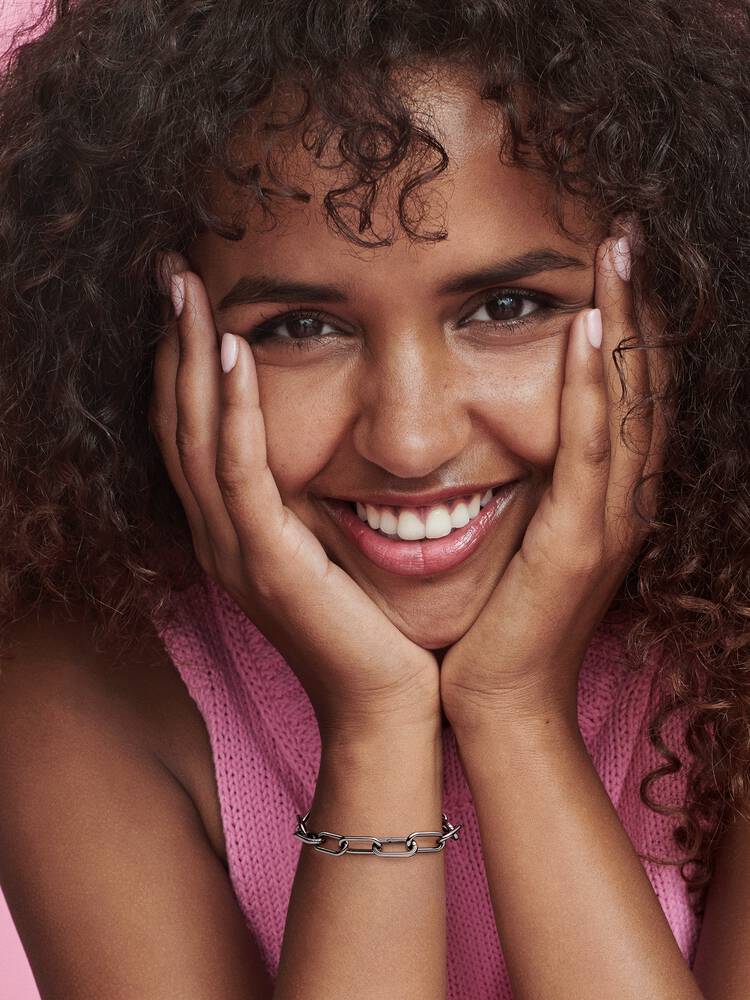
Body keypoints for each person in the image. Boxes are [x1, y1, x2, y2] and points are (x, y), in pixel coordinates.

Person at [0, 1, 748, 997]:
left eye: (506, 307)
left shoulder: (727, 661)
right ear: (153, 347)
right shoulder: (84, 687)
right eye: (301, 326)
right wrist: (375, 729)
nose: (409, 439)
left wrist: (517, 712)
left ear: (677, 302)